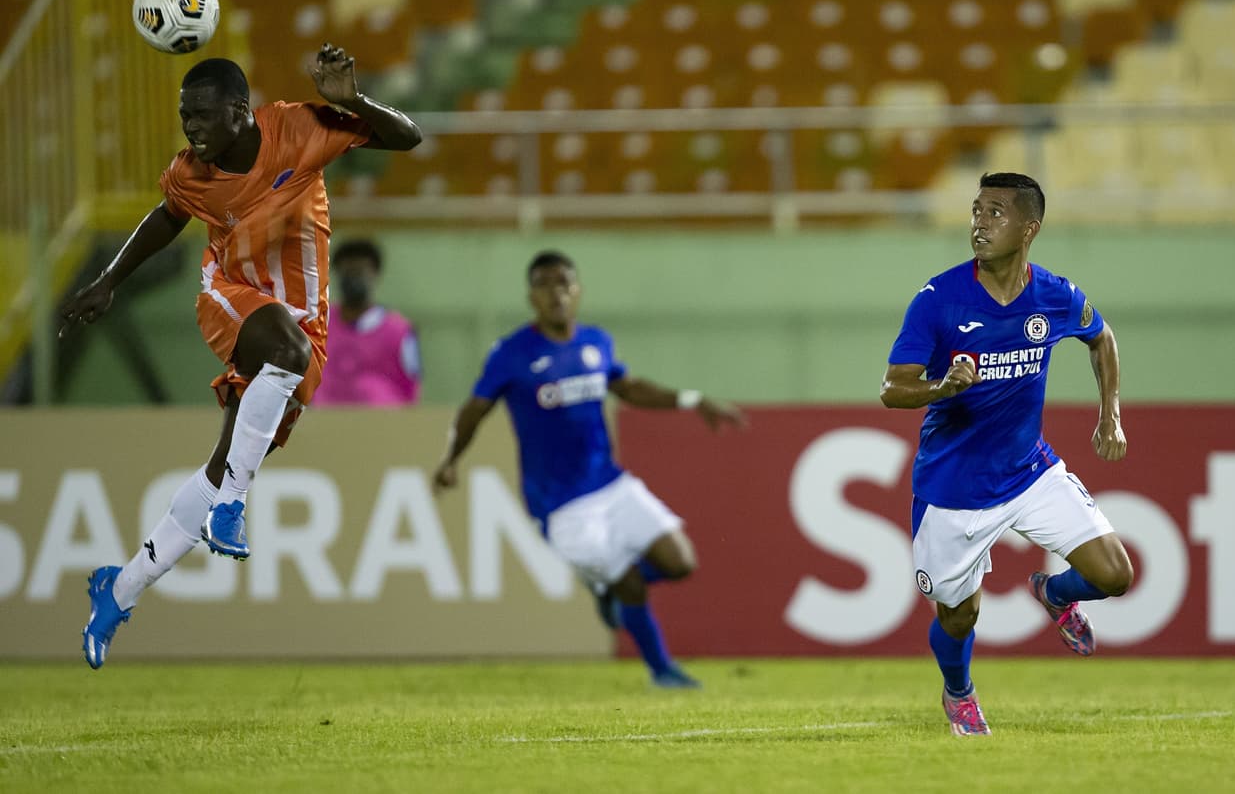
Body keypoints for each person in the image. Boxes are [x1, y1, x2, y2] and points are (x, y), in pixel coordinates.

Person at [61, 44, 423, 669]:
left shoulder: (299, 129)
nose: (191, 127)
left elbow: (408, 138)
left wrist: (353, 102)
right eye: (185, 116)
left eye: (201, 115)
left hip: (304, 326)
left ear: (239, 111)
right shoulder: (189, 173)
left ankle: (118, 591)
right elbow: (166, 217)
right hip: (230, 297)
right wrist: (110, 280)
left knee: (222, 463)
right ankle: (234, 505)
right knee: (277, 362)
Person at [880, 172, 1133, 736]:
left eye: (995, 212)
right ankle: (959, 692)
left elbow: (1101, 337)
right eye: (976, 210)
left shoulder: (1055, 295)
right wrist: (942, 386)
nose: (979, 222)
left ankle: (1055, 593)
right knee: (959, 616)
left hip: (1028, 472)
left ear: (1029, 228)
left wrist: (1110, 414)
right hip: (954, 488)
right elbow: (892, 388)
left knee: (1115, 574)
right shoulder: (939, 299)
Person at [432, 250, 746, 688]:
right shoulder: (511, 353)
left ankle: (608, 592)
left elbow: (628, 387)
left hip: (610, 483)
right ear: (531, 297)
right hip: (561, 506)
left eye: (563, 283)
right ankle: (662, 671)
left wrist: (692, 400)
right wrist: (451, 459)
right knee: (631, 584)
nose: (555, 293)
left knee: (681, 563)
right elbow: (475, 410)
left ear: (577, 291)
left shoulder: (596, 342)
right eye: (544, 285)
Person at [311, 238, 422, 407]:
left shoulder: (399, 331)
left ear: (375, 274)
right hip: (325, 418)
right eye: (348, 272)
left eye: (360, 272)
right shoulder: (319, 324)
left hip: (382, 420)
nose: (354, 279)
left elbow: (412, 388)